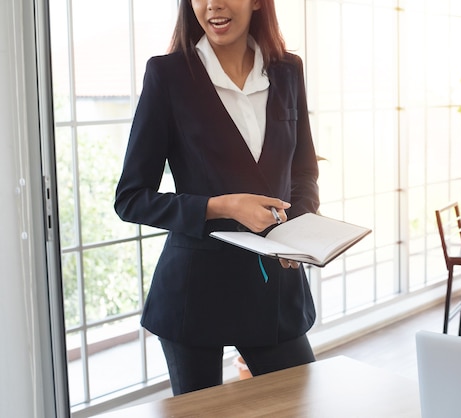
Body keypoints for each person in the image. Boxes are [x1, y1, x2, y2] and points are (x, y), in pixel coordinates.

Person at [114, 0, 319, 395]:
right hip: (194, 293)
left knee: (302, 403)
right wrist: (220, 206)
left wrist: (299, 229)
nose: (213, 5)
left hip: (274, 292)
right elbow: (131, 197)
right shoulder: (168, 75)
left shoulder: (287, 70)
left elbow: (304, 172)